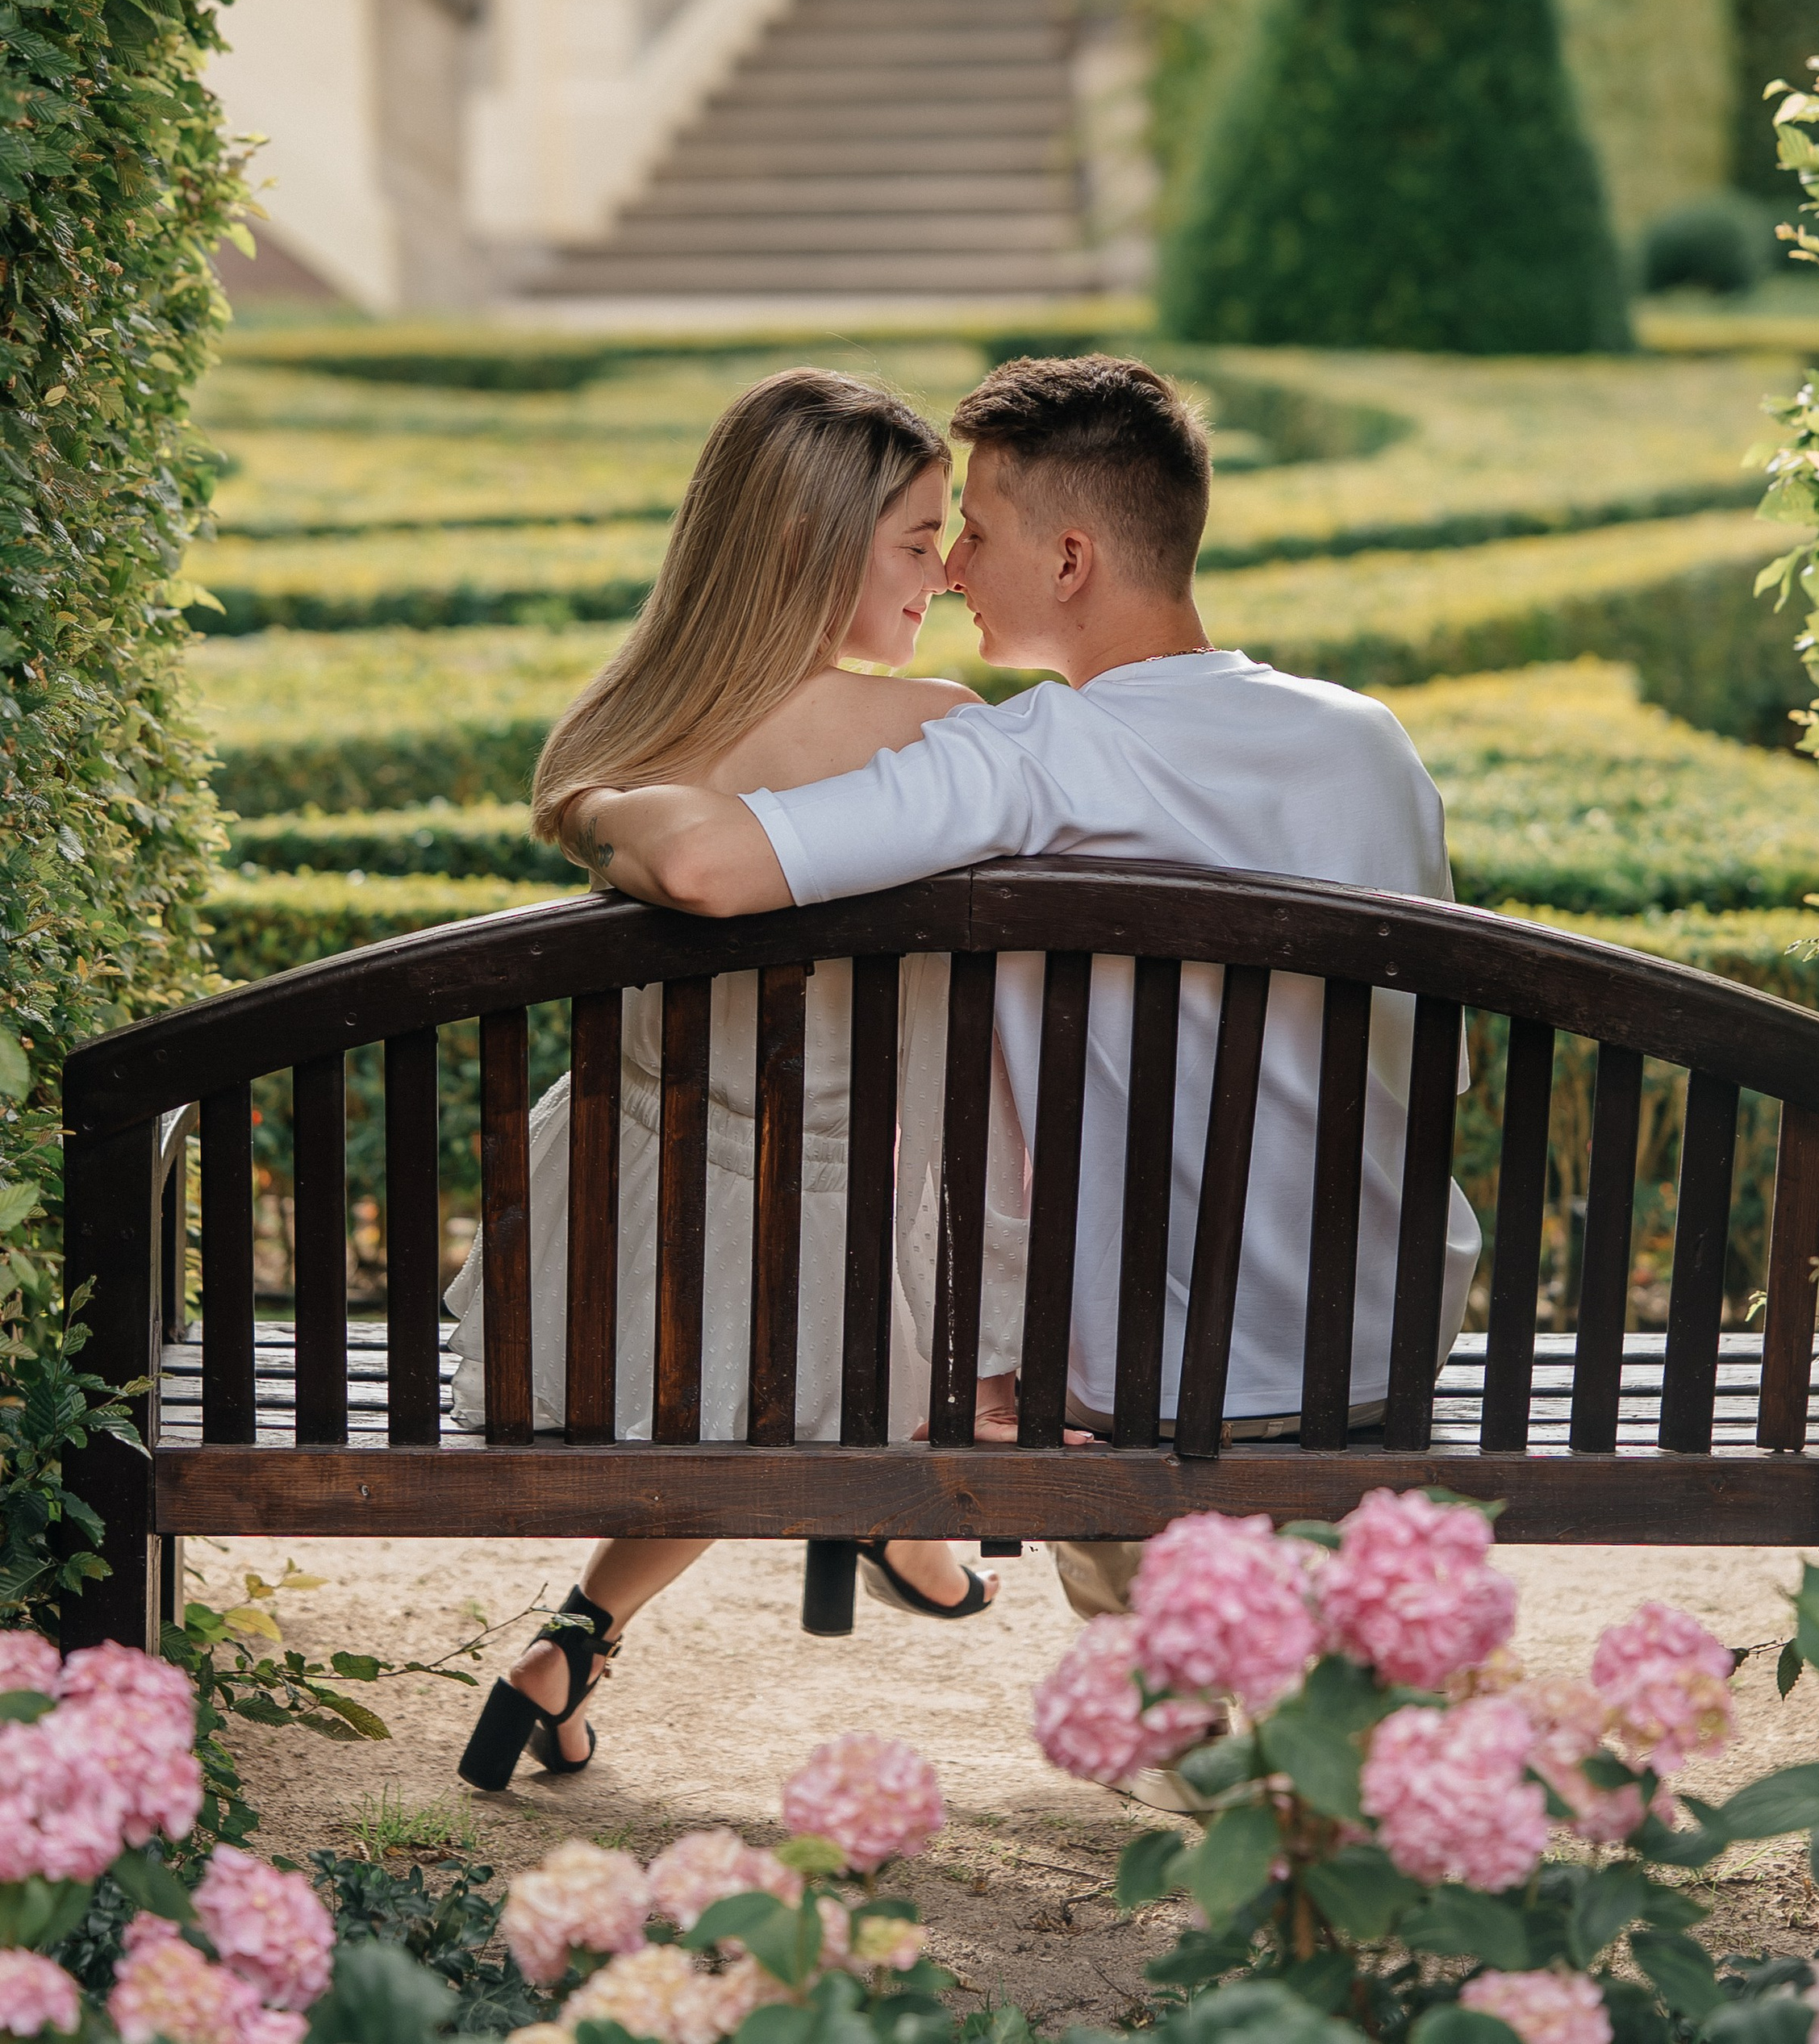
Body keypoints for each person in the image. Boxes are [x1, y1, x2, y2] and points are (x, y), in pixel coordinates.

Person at [560, 350, 1480, 1633]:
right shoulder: (1368, 743)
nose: (947, 570)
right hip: (1384, 1342)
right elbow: (1445, 1066)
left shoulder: (1036, 759)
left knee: (1184, 1710)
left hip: (1155, 1382)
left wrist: (589, 795)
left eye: (973, 533)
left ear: (1069, 562)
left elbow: (707, 864)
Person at [450, 369, 1029, 1795]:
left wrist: (596, 804)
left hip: (603, 1243)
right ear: (806, 549)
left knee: (734, 1345)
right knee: (819, 1292)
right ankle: (889, 1497)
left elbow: (626, 820)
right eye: (916, 538)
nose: (948, 575)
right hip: (823, 1273)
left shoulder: (627, 724)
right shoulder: (932, 728)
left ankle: (579, 1641)